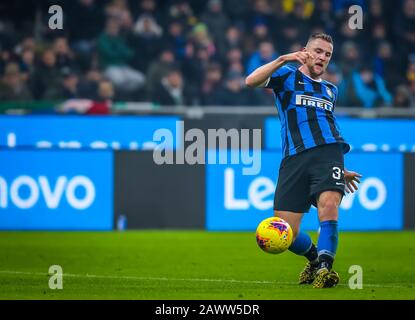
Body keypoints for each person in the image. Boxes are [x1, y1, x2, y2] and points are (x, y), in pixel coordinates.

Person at [245, 33, 362, 288]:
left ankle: (325, 269)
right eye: (318, 51)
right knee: (286, 231)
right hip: (294, 158)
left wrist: (338, 169)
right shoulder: (286, 75)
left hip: (329, 153)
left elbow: (326, 126)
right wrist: (284, 58)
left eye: (327, 54)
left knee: (329, 204)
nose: (322, 57)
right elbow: (251, 81)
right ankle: (313, 258)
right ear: (305, 51)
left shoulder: (331, 89)